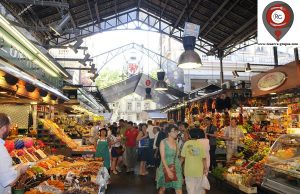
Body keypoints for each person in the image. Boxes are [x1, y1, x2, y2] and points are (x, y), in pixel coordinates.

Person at [0, 113, 29, 194]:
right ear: (3, 128)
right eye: (9, 126)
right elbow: (10, 181)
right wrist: (20, 169)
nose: (10, 129)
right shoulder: (1, 151)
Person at [157, 125, 183, 194]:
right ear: (168, 133)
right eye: (174, 131)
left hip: (176, 167)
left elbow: (178, 156)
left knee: (178, 188)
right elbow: (162, 158)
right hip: (165, 167)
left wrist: (179, 167)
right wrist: (168, 171)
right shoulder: (163, 142)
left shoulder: (176, 142)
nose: (176, 133)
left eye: (177, 131)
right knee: (163, 188)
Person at [181, 128, 208, 194]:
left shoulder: (186, 144)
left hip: (188, 171)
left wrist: (177, 167)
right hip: (199, 170)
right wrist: (205, 169)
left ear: (189, 135)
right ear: (198, 136)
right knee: (198, 189)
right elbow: (204, 159)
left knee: (190, 190)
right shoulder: (200, 144)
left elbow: (182, 158)